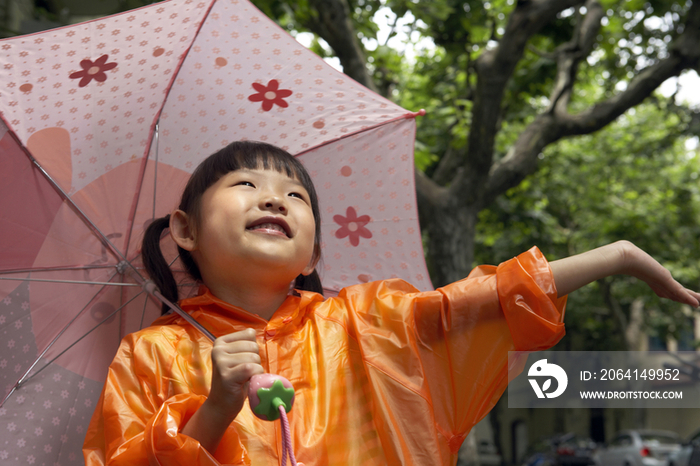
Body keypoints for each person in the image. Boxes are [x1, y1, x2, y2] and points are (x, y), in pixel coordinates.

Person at [82, 141, 700, 466]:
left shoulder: (364, 320)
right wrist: (214, 408)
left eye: (294, 195)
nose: (273, 200)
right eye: (246, 185)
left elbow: (474, 304)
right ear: (185, 231)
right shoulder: (149, 352)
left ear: (315, 253)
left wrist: (615, 256)